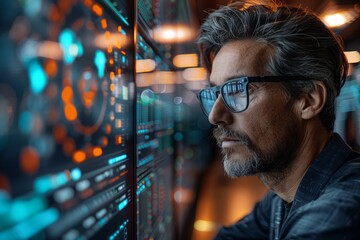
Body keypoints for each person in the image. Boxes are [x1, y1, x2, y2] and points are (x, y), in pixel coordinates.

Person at [196, 0, 360, 239]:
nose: (215, 116)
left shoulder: (339, 213)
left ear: (309, 99)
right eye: (215, 93)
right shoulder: (283, 194)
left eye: (238, 89)